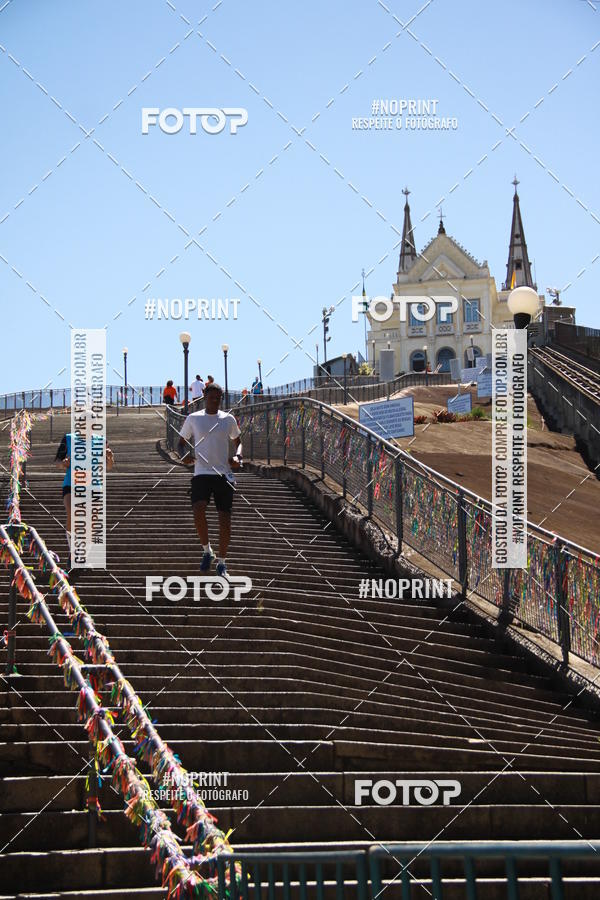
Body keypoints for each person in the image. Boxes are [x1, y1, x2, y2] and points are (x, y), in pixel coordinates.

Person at [178, 382, 242, 578]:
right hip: (201, 472)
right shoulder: (193, 418)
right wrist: (183, 456)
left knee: (225, 520)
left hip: (223, 474)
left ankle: (222, 562)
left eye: (218, 398)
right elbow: (180, 443)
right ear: (204, 396)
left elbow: (238, 442)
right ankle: (207, 550)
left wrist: (239, 456)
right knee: (198, 509)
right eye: (211, 397)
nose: (215, 400)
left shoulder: (228, 419)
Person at [55, 432, 114, 568]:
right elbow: (58, 461)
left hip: (93, 485)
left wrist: (110, 458)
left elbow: (108, 466)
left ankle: (82, 555)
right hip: (71, 484)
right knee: (72, 511)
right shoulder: (68, 438)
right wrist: (64, 464)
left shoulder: (102, 440)